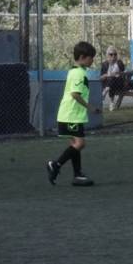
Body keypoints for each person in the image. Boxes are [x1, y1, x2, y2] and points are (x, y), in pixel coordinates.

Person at [46, 41, 99, 186]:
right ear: (82, 57)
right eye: (91, 57)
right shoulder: (78, 74)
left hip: (69, 115)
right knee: (80, 144)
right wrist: (90, 107)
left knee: (75, 145)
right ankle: (55, 164)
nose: (92, 60)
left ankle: (77, 175)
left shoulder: (75, 71)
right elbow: (75, 94)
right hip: (71, 115)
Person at [100, 46, 126, 111]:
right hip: (109, 83)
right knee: (111, 79)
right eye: (111, 54)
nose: (113, 56)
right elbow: (101, 77)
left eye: (115, 54)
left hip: (118, 83)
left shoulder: (119, 63)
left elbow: (123, 73)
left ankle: (106, 92)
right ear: (107, 55)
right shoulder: (104, 64)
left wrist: (117, 73)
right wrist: (106, 75)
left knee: (112, 78)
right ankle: (111, 102)